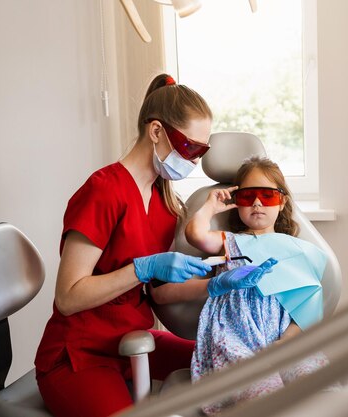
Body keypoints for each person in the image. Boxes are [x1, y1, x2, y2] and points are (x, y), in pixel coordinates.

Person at [34, 74, 276, 417]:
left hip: (135, 340)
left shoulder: (166, 202)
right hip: (79, 355)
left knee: (233, 369)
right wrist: (141, 268)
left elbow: (159, 295)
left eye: (201, 151)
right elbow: (69, 298)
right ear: (157, 131)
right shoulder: (103, 191)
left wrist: (215, 285)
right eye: (190, 147)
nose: (194, 160)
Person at [186, 156, 329, 415]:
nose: (257, 203)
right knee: (263, 392)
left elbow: (307, 306)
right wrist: (210, 206)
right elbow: (195, 234)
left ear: (282, 201)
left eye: (268, 195)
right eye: (247, 196)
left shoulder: (298, 251)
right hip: (235, 339)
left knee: (316, 386)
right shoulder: (228, 241)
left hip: (284, 341)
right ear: (236, 201)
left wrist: (286, 342)